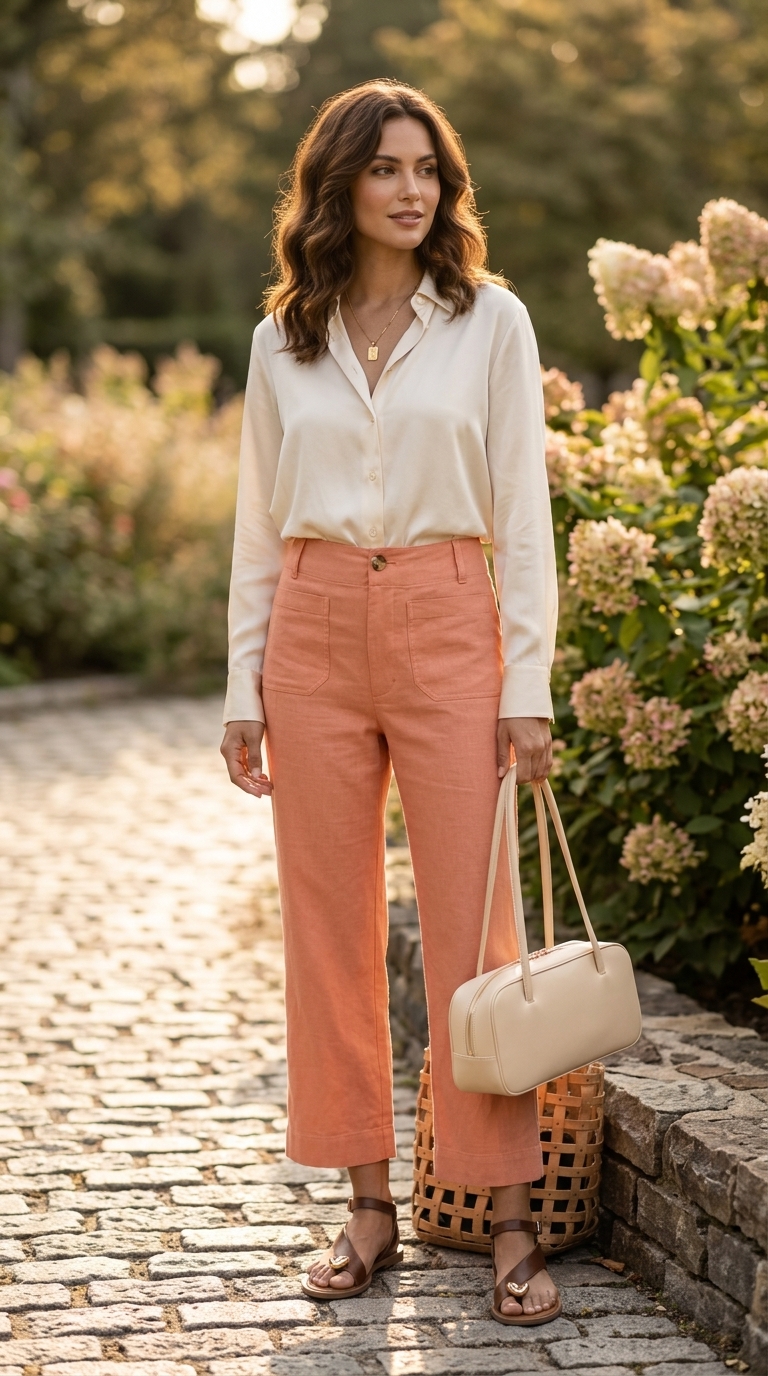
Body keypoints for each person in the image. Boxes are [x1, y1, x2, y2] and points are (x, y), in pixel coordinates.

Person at [220, 79, 560, 1326]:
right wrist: (241, 684)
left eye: (428, 168)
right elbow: (259, 521)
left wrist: (527, 681)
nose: (412, 189)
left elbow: (523, 515)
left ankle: (505, 1212)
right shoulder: (282, 340)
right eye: (386, 169)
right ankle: (368, 1202)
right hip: (308, 628)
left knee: (478, 932)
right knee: (327, 922)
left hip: (447, 614)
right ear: (340, 186)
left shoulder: (491, 323)